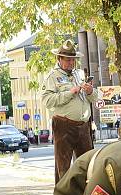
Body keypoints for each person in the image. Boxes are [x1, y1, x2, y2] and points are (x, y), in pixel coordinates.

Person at [41, 40, 100, 183]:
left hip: (84, 125)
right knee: (63, 166)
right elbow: (47, 101)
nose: (70, 63)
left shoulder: (80, 74)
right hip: (64, 125)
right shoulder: (52, 77)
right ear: (59, 59)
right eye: (67, 60)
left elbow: (93, 98)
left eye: (73, 60)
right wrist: (70, 93)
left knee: (87, 164)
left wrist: (91, 91)